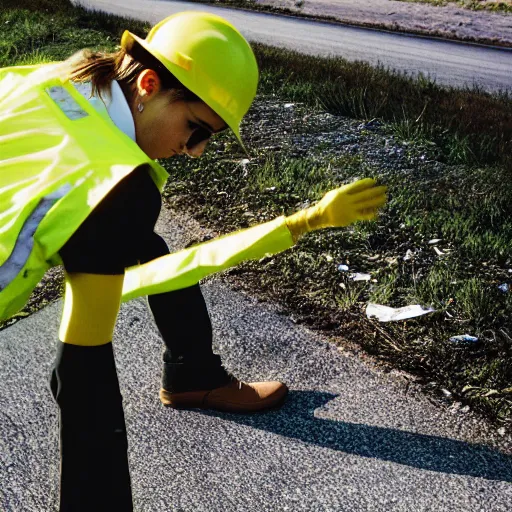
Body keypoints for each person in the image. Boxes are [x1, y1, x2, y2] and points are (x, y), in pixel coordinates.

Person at [0, 11, 387, 511]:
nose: (197, 151)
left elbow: (154, 263)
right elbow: (80, 372)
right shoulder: (117, 188)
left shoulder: (50, 76)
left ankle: (192, 371)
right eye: (196, 128)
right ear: (148, 83)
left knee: (145, 243)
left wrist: (302, 222)